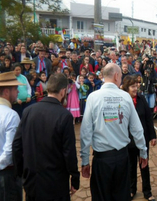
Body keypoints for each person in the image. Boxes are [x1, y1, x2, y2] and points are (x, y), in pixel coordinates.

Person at [80, 63, 148, 201]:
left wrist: (85, 160)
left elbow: (86, 132)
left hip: (102, 159)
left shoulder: (93, 97)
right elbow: (137, 129)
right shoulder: (125, 97)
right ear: (116, 76)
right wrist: (143, 152)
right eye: (121, 76)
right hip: (121, 158)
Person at [12, 73, 80, 201]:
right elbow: (69, 152)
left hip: (32, 181)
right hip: (56, 184)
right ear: (63, 91)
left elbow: (17, 145)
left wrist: (21, 173)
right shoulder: (64, 116)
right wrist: (75, 178)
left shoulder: (28, 111)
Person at [122, 75, 157, 201]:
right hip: (128, 140)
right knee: (131, 166)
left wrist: (153, 136)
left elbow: (148, 118)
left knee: (144, 165)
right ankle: (132, 190)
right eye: (133, 86)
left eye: (136, 85)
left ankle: (147, 192)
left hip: (142, 138)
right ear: (126, 88)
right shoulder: (123, 101)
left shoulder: (142, 99)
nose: (136, 88)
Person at [0, 72, 23, 201]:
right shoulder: (11, 115)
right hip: (6, 174)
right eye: (15, 89)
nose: (18, 92)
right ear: (7, 92)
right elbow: (10, 152)